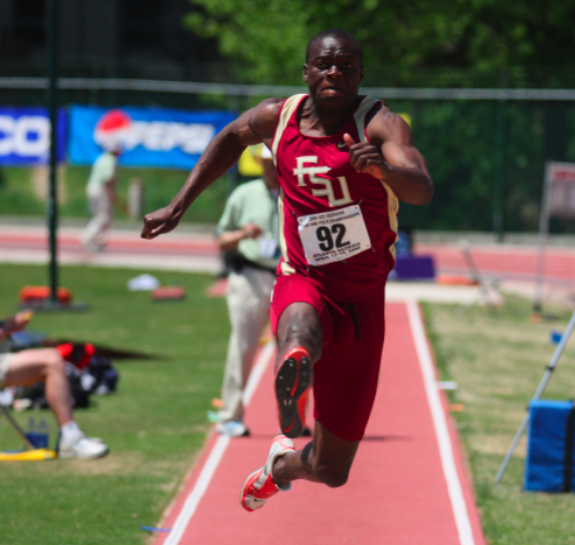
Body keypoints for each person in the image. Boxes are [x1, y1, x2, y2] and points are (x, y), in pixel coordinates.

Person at [141, 29, 432, 511]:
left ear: (360, 74)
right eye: (323, 64)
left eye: (344, 65)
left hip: (362, 300)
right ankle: (295, 362)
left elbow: (421, 187)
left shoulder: (380, 125)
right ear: (306, 71)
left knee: (331, 470)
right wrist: (178, 204)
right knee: (299, 329)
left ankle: (281, 464)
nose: (333, 72)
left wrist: (383, 170)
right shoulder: (280, 117)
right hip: (304, 275)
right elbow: (231, 137)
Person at [0, 236, 109, 459]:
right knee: (52, 361)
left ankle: (70, 435)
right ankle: (70, 437)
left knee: (51, 358)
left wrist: (9, 327)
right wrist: (10, 328)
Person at [213, 145, 281, 437]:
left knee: (296, 350)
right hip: (250, 275)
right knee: (243, 346)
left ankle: (293, 418)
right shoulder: (244, 194)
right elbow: (221, 238)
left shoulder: (301, 194)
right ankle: (229, 415)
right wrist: (242, 234)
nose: (272, 168)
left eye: (276, 162)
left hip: (287, 277)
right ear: (259, 163)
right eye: (266, 163)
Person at [81, 146, 124, 251]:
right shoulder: (110, 160)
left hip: (93, 187)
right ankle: (88, 237)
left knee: (99, 216)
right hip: (100, 189)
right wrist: (112, 193)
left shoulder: (102, 158)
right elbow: (108, 178)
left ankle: (97, 241)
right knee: (104, 216)